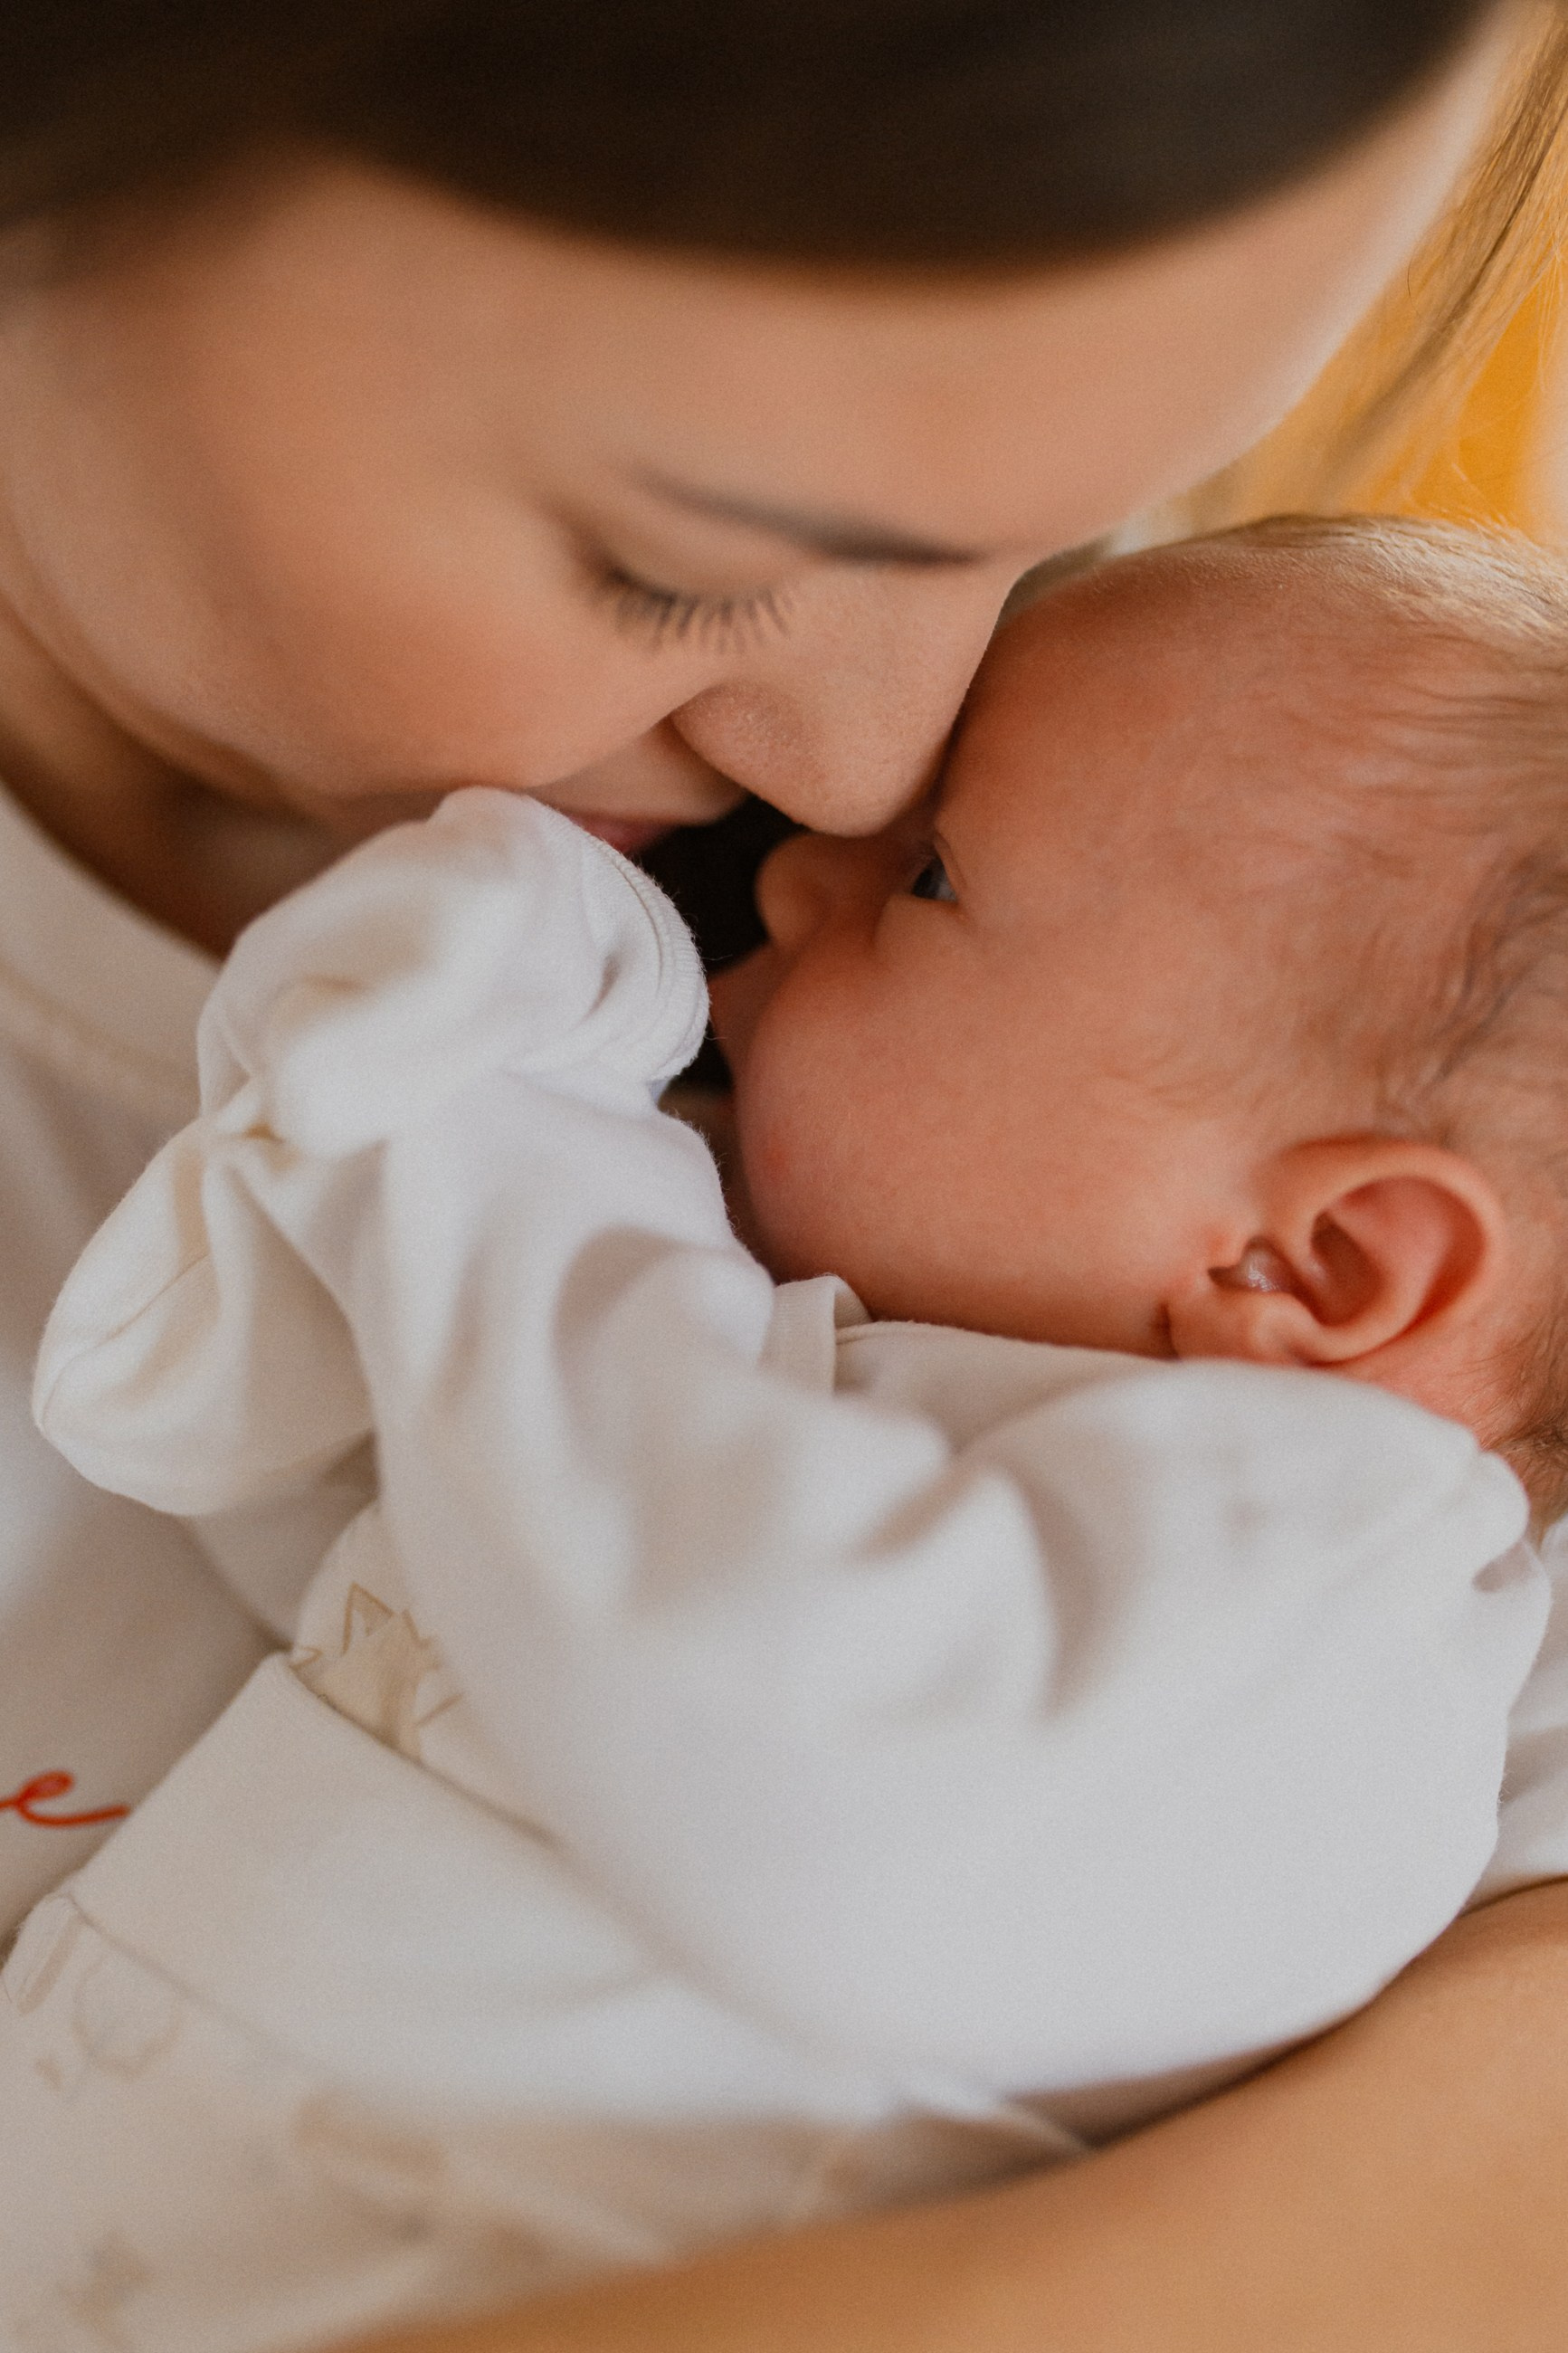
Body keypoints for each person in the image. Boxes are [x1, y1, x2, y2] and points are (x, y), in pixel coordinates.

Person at [0, 5, 1563, 2348]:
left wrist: (480, 1132)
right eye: (683, 566)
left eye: (1064, 532)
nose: (869, 768)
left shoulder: (1213, 1027)